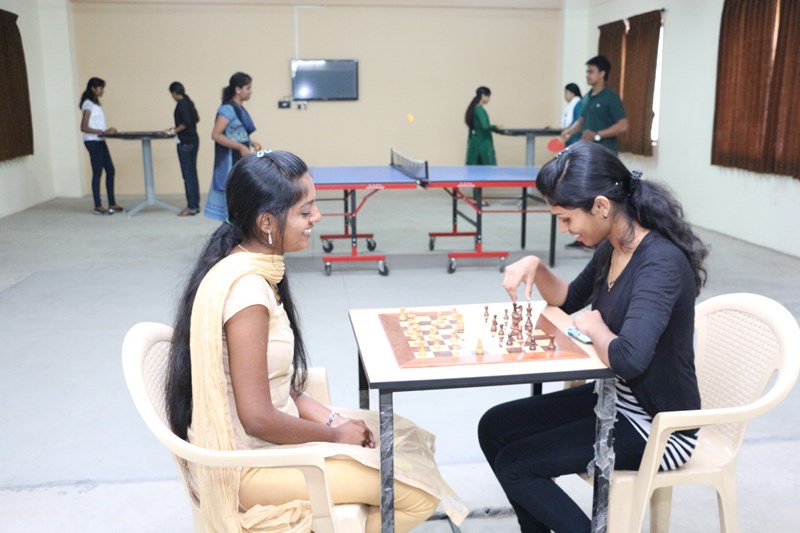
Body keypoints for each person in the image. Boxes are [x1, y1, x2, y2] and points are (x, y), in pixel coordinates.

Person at [166, 150, 467, 532]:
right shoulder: (247, 295)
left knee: (405, 439)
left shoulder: (254, 268)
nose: (317, 217)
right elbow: (257, 418)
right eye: (305, 211)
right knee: (418, 494)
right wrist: (334, 435)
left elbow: (279, 387)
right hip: (251, 465)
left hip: (270, 440)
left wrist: (333, 419)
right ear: (266, 221)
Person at [478, 142, 708, 533]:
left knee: (516, 464)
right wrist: (536, 265)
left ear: (601, 206)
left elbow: (629, 358)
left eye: (567, 219)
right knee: (494, 427)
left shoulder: (660, 262)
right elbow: (568, 300)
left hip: (659, 427)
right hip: (613, 399)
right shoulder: (613, 246)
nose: (565, 229)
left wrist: (596, 328)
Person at [204, 71, 263, 221]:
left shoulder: (239, 108)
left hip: (240, 158)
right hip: (230, 159)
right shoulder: (227, 109)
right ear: (238, 89)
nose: (251, 91)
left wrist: (249, 142)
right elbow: (216, 134)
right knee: (232, 192)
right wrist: (240, 147)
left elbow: (235, 132)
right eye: (248, 88)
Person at [560, 55, 628, 154]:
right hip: (588, 150)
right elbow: (581, 121)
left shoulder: (611, 97)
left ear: (602, 74)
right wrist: (569, 131)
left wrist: (596, 135)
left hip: (606, 151)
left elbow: (623, 125)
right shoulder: (586, 98)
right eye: (587, 72)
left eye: (591, 72)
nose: (587, 75)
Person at [79, 77, 122, 215]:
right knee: (97, 172)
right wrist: (101, 132)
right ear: (93, 88)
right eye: (101, 88)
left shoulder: (97, 104)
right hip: (92, 141)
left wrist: (105, 131)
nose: (103, 91)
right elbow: (83, 127)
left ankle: (112, 203)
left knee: (110, 170)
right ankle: (97, 205)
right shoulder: (88, 104)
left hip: (100, 140)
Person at [167, 82, 201, 216]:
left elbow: (186, 122)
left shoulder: (181, 104)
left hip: (185, 142)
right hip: (194, 140)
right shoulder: (189, 101)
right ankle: (195, 204)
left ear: (174, 93)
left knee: (187, 175)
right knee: (192, 174)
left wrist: (174, 130)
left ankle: (191, 207)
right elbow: (196, 119)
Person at [465, 86, 498, 165]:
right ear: (483, 96)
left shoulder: (473, 109)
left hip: (474, 142)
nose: (489, 99)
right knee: (488, 166)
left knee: (475, 167)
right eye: (488, 96)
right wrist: (495, 127)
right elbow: (485, 126)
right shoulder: (480, 110)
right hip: (483, 142)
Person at [561, 83, 583, 147]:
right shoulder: (570, 106)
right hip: (569, 138)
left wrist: (569, 130)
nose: (564, 95)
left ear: (572, 93)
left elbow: (579, 122)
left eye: (566, 93)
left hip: (575, 139)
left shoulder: (578, 105)